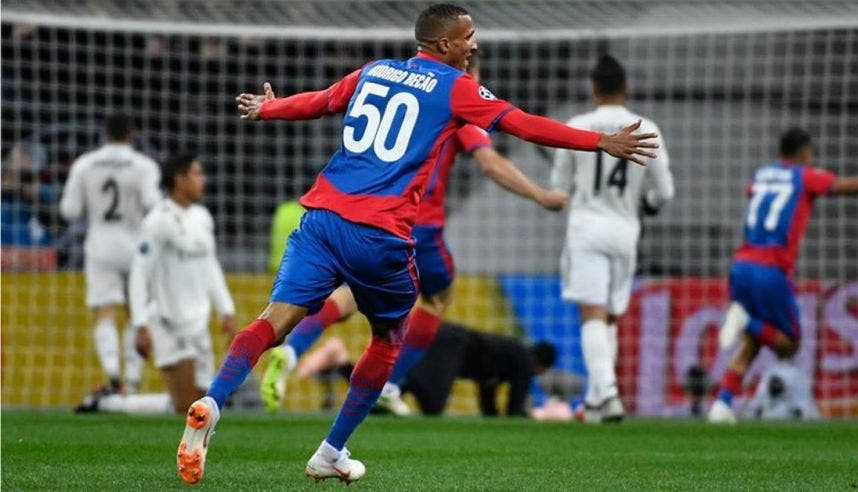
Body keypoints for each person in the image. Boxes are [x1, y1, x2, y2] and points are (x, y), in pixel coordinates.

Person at [177, 4, 658, 484]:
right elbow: (521, 122)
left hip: (322, 218)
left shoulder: (375, 70)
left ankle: (213, 399)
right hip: (380, 234)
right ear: (444, 44)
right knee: (388, 338)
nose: (475, 44)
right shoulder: (455, 89)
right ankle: (330, 450)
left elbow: (322, 101)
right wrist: (599, 142)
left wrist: (269, 108)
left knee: (272, 320)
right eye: (468, 36)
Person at [259, 51, 569, 416]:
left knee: (350, 297)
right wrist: (541, 195)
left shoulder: (399, 87)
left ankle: (292, 350)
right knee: (439, 296)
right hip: (416, 225)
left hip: (364, 215)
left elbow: (329, 104)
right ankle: (390, 383)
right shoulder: (458, 102)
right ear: (467, 70)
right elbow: (490, 163)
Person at [709, 127, 858, 423]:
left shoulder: (761, 175)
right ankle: (745, 319)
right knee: (790, 342)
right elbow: (849, 186)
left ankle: (722, 405)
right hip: (771, 267)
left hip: (742, 263)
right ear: (803, 153)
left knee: (755, 341)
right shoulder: (804, 175)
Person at [550, 54, 674, 423]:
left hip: (587, 226)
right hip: (625, 230)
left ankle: (607, 393)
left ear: (593, 89)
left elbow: (559, 188)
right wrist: (647, 204)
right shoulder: (646, 126)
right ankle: (594, 402)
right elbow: (664, 191)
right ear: (626, 88)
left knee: (591, 312)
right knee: (611, 316)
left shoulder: (577, 125)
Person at [76, 154, 236, 414]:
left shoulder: (202, 217)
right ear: (179, 179)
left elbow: (210, 266)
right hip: (167, 321)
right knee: (187, 407)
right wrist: (140, 324)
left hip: (199, 322)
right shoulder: (156, 221)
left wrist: (226, 309)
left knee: (199, 405)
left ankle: (108, 402)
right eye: (197, 174)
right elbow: (139, 274)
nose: (202, 180)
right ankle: (107, 403)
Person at [59, 114, 161, 395]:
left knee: (104, 312)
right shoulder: (143, 165)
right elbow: (154, 204)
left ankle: (113, 373)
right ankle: (134, 378)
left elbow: (69, 210)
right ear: (132, 134)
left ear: (105, 134)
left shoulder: (84, 164)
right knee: (137, 312)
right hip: (135, 246)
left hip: (100, 245)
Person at [293, 323, 558, 417]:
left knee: (387, 395)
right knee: (432, 404)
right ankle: (339, 358)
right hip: (450, 344)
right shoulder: (523, 360)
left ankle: (340, 360)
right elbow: (513, 410)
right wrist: (532, 416)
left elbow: (488, 395)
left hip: (447, 341)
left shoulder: (510, 356)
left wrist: (491, 416)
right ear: (542, 366)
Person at [743, 361, 820, 421]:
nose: (775, 385)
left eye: (777, 383)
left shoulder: (793, 405)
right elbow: (750, 413)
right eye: (773, 383)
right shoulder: (762, 403)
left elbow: (806, 414)